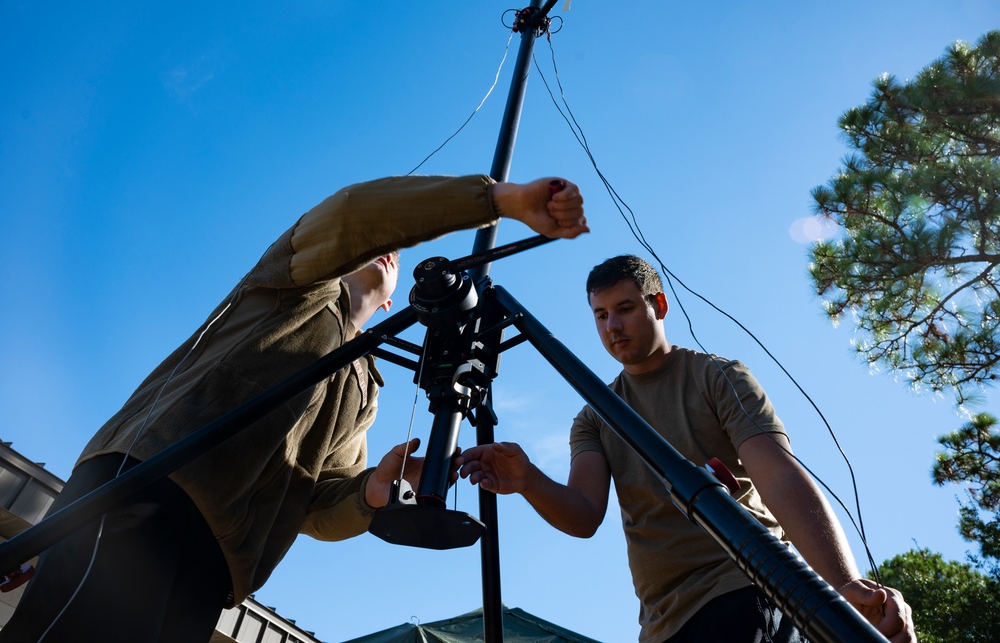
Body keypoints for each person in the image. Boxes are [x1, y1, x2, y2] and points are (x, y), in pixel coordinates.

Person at [0, 175, 587, 643]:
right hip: (146, 491)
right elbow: (351, 215)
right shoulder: (292, 285)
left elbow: (318, 508)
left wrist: (371, 493)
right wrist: (499, 200)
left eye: (395, 258)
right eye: (380, 247)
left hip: (217, 565)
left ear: (389, 307)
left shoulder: (363, 386)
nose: (388, 255)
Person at [458, 254, 916, 643]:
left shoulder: (717, 376)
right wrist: (528, 481)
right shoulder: (595, 415)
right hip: (662, 625)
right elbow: (582, 514)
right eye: (600, 315)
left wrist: (842, 586)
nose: (612, 326)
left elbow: (779, 476)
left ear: (658, 305)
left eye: (624, 308)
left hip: (744, 590)